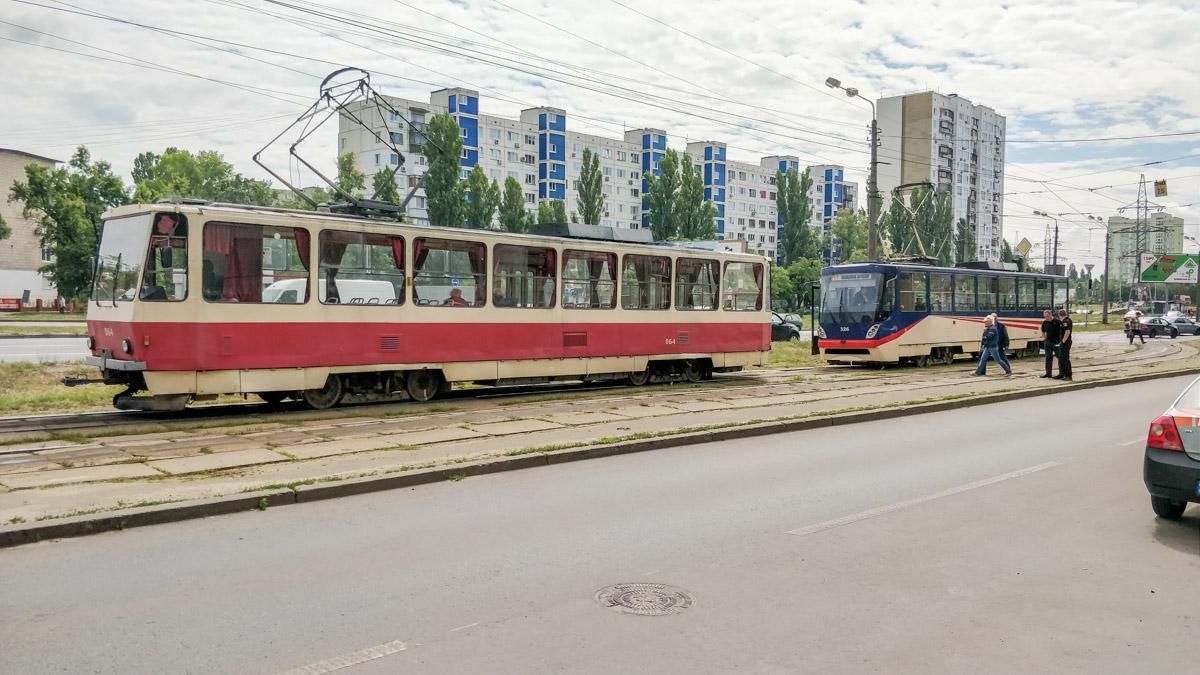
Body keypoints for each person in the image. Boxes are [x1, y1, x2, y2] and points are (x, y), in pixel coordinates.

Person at [1039, 309, 1060, 378]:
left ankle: (1062, 372)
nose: (1046, 318)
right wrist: (1044, 338)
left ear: (1051, 315)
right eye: (1045, 317)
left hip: (1056, 342)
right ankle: (1048, 373)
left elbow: (1061, 332)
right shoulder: (1045, 322)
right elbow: (1043, 330)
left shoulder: (1057, 322)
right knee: (1048, 358)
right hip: (1048, 342)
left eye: (1047, 316)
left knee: (1059, 357)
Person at [1056, 308, 1073, 380]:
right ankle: (1062, 374)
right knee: (1061, 358)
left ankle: (1068, 375)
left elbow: (1067, 332)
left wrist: (1063, 341)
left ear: (1059, 315)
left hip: (1065, 343)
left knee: (1065, 359)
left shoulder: (1065, 322)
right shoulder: (1067, 320)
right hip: (1064, 342)